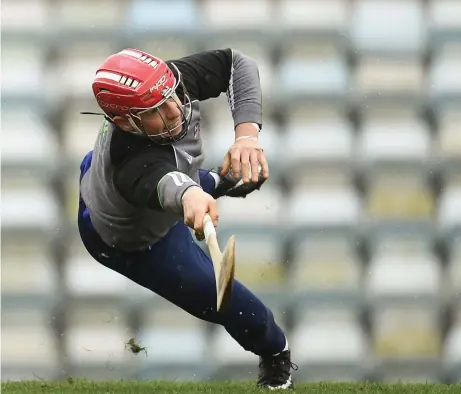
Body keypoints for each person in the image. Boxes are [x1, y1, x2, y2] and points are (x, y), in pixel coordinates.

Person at [78, 47, 297, 389]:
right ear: (124, 122)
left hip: (111, 183)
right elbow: (166, 184)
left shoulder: (166, 83)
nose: (175, 109)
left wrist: (247, 135)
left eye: (171, 96)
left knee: (196, 180)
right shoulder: (133, 161)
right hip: (133, 241)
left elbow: (237, 63)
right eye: (156, 110)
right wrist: (191, 195)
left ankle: (216, 182)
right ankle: (276, 355)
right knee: (232, 304)